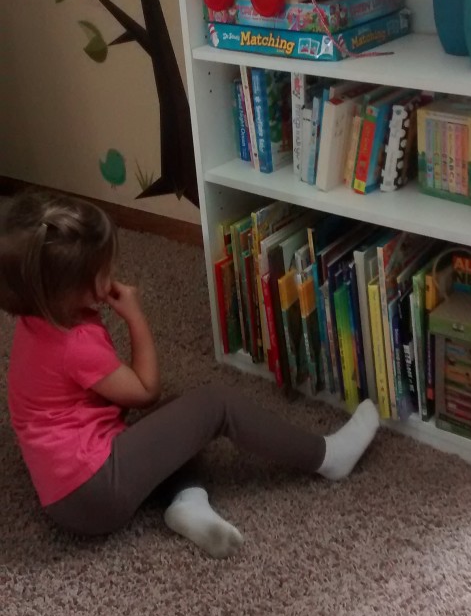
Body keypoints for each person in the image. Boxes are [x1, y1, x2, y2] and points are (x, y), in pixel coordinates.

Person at [0, 190, 379, 558]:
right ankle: (327, 456)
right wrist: (135, 314)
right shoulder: (75, 343)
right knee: (214, 405)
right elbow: (147, 390)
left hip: (64, 496)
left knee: (177, 417)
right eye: (104, 268)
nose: (113, 271)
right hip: (95, 490)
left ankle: (187, 501)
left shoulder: (38, 319)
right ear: (78, 289)